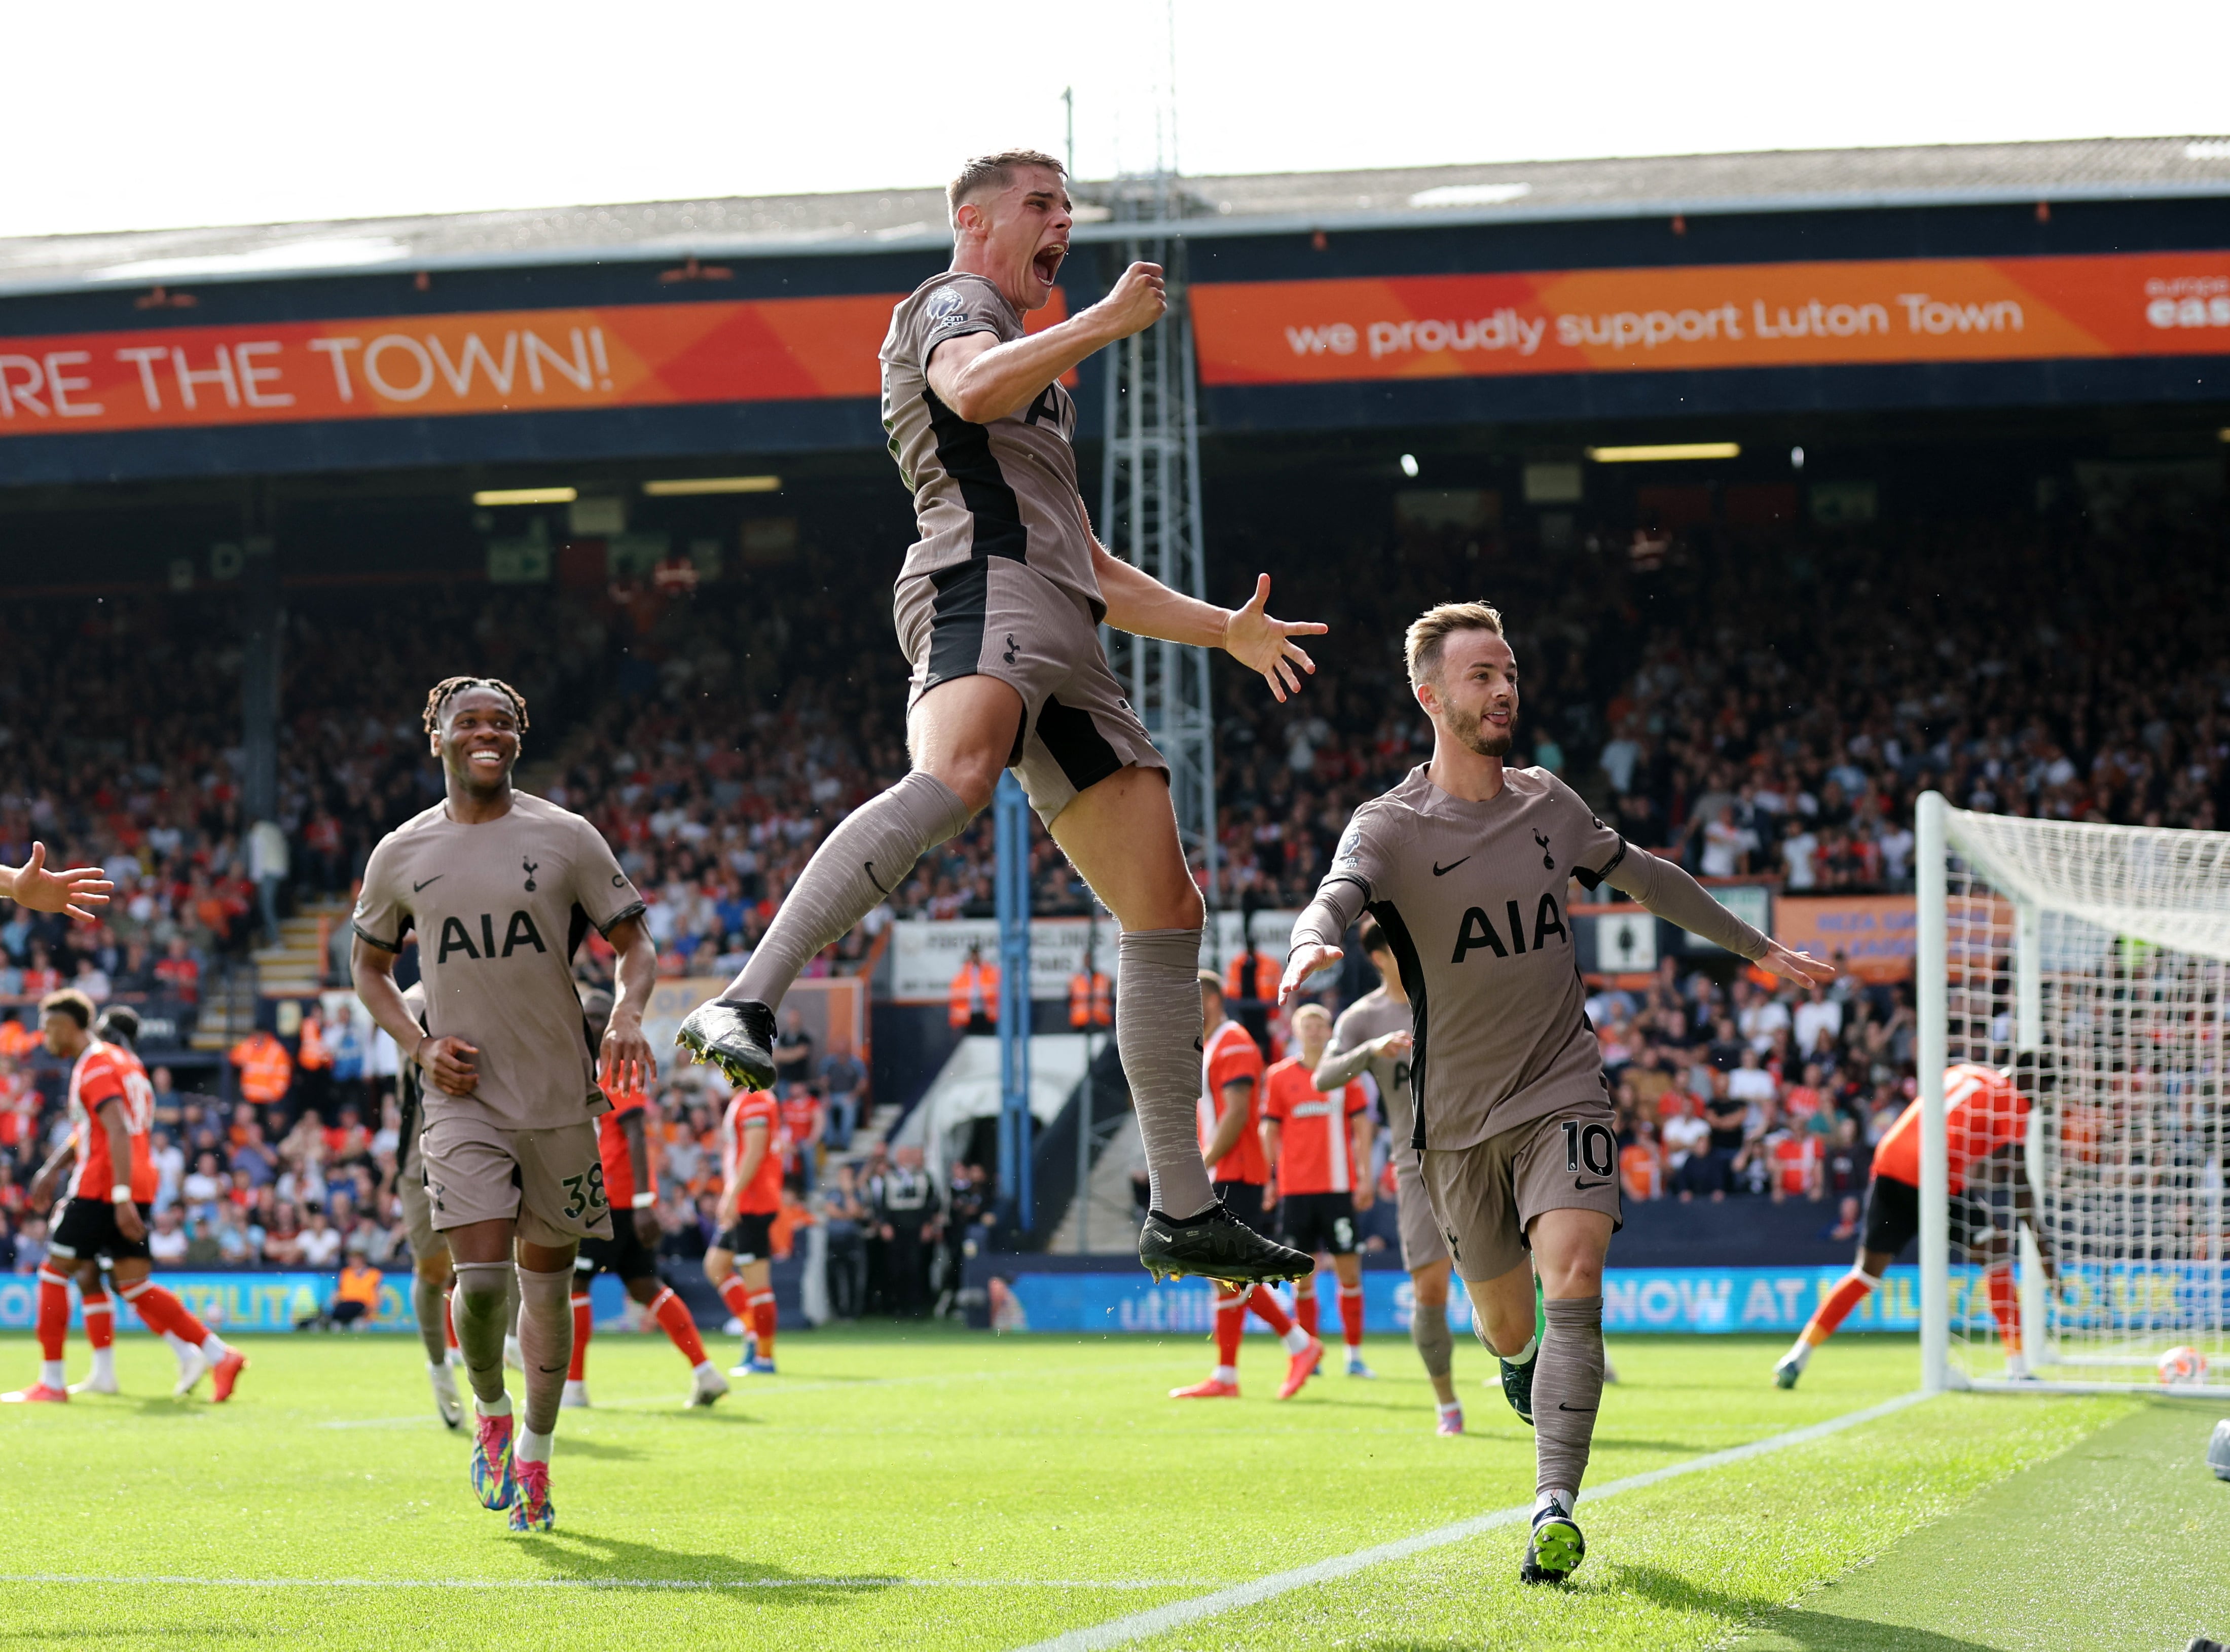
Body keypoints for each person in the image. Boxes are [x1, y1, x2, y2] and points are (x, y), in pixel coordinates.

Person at [674, 148, 1319, 1291]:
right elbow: (969, 391)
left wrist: (1223, 630)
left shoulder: (1036, 373)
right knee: (960, 775)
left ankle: (1181, 1206)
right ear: (976, 221)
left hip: (1063, 615)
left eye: (1068, 206)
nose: (1062, 221)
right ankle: (747, 1000)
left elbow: (1097, 564)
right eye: (1041, 204)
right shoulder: (952, 304)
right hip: (986, 584)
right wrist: (1110, 323)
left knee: (1167, 906)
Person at [1281, 600, 1833, 1585]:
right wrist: (1309, 937)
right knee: (1508, 1326)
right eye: (1482, 674)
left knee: (1575, 1275)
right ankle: (1513, 1366)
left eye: (1509, 672)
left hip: (1560, 1086)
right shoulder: (1392, 825)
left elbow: (1649, 878)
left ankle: (1552, 1509)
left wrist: (1754, 947)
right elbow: (1340, 887)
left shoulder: (1549, 803)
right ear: (1430, 695)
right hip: (1450, 1123)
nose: (1503, 689)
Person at [351, 676, 658, 1534]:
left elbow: (635, 944)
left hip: (560, 1093)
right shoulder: (400, 852)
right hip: (463, 1094)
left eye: (502, 721)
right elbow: (369, 969)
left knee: (547, 1285)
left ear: (519, 736)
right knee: (482, 1283)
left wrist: (628, 1011)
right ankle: (488, 1406)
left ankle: (534, 1452)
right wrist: (418, 1048)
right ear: (437, 737)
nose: (486, 731)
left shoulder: (565, 836)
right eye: (469, 720)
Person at [5, 999, 246, 1405]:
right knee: (133, 1284)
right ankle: (218, 1354)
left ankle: (51, 1382)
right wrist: (52, 1169)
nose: (45, 1038)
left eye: (49, 1028)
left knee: (54, 1272)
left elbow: (114, 1129)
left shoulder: (95, 1064)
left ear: (68, 1025)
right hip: (138, 1181)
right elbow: (103, 1127)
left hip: (103, 1184)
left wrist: (117, 1196)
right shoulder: (128, 1064)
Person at [1775, 1061, 2044, 1388]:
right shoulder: (2016, 1099)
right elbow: (2018, 1179)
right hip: (1932, 1173)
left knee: (1865, 1273)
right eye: (2041, 1097)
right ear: (2031, 1084)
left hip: (1891, 1161)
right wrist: (2043, 1249)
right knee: (1997, 1253)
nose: (2036, 1106)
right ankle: (2017, 1367)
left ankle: (1796, 1356)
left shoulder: (1962, 1071)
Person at [1315, 916, 1464, 1434]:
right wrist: (1369, 1052)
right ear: (1380, 955)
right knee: (1429, 1291)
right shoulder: (1364, 1018)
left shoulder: (1450, 993)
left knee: (1505, 1293)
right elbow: (1323, 1076)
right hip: (1415, 1166)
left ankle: (1521, 1362)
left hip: (1476, 1154)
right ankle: (1446, 1403)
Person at [564, 989, 727, 1410]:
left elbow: (635, 1134)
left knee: (575, 1284)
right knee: (644, 1285)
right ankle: (705, 1372)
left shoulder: (616, 1070)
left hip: (610, 1201)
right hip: (613, 1198)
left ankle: (574, 1387)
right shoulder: (590, 1070)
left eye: (602, 1015)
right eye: (589, 1016)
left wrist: (641, 1201)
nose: (595, 1023)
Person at [1170, 972, 1319, 1401]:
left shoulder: (1233, 1042)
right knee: (1222, 1273)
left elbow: (1237, 1115)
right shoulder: (1216, 1043)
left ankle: (1296, 1344)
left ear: (1210, 1000)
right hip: (1227, 1172)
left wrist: (1201, 1165)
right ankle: (1229, 1374)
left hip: (1236, 1172)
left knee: (1227, 1270)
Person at [1262, 1003, 1376, 1380]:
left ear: (1330, 1031)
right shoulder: (1279, 1077)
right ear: (1295, 1031)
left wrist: (1365, 1176)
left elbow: (1362, 1128)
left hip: (1338, 1189)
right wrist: (1269, 1178)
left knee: (1348, 1272)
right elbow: (1269, 1130)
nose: (1313, 1030)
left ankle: (1354, 1356)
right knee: (1302, 1278)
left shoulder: (1344, 1076)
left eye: (1320, 1024)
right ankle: (1310, 1353)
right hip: (1296, 1191)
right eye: (1306, 1025)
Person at [706, 1079, 783, 1374]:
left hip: (753, 1202)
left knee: (758, 1285)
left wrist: (732, 1194)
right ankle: (753, 1333)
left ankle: (764, 1357)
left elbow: (755, 1150)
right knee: (715, 1266)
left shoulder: (755, 1099)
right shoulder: (750, 1098)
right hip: (746, 1200)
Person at [877, 1145, 941, 1319]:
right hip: (897, 1226)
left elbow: (932, 1203)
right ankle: (897, 1306)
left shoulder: (924, 1177)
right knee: (895, 1267)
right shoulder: (889, 1178)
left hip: (916, 1226)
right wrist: (885, 1224)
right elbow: (882, 1203)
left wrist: (928, 1225)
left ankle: (916, 1306)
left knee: (916, 1266)